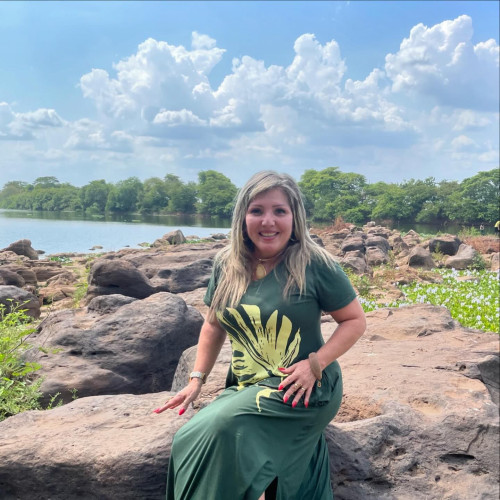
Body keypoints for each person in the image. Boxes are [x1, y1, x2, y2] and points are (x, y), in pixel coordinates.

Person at [154, 171, 366, 500]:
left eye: (279, 211)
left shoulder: (316, 264)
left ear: (295, 217)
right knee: (187, 438)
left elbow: (354, 320)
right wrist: (196, 379)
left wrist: (315, 363)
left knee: (223, 426)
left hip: (303, 386)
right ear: (243, 217)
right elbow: (213, 324)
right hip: (248, 382)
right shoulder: (227, 264)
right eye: (257, 210)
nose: (268, 221)